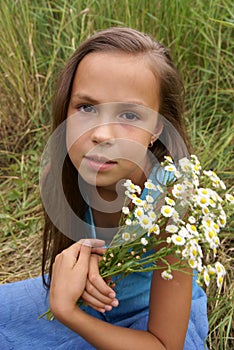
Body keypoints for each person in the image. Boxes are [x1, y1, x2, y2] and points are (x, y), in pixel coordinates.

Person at [0, 27, 208, 350]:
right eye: (86, 107)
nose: (101, 133)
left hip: (150, 326)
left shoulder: (171, 201)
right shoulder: (60, 171)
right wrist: (81, 273)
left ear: (156, 128)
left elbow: (165, 345)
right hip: (87, 302)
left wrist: (68, 313)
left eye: (128, 114)